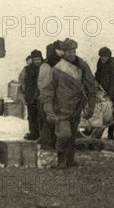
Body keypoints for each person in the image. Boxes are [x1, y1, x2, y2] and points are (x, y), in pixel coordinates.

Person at [39, 38, 96, 169]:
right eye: (69, 52)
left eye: (73, 51)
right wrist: (49, 110)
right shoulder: (57, 69)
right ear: (63, 52)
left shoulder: (82, 66)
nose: (72, 54)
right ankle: (60, 160)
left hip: (76, 107)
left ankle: (70, 160)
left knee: (72, 136)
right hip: (61, 108)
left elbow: (90, 86)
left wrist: (91, 106)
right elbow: (48, 91)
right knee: (64, 134)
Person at [37, 41, 62, 149]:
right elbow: (43, 84)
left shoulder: (59, 63)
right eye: (59, 49)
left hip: (56, 97)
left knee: (53, 120)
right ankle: (46, 143)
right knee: (48, 120)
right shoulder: (47, 66)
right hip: (48, 96)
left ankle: (52, 142)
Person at [95, 47, 114, 139]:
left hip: (113, 94)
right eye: (101, 56)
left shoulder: (113, 65)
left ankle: (111, 135)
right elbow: (97, 75)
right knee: (103, 113)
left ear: (109, 56)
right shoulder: (100, 63)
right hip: (103, 92)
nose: (103, 58)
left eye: (105, 56)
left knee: (113, 114)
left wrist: (111, 95)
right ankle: (98, 134)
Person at [23, 50, 43, 140]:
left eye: (38, 59)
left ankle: (43, 135)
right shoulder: (27, 69)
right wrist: (25, 92)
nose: (37, 61)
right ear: (32, 60)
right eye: (35, 60)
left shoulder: (44, 67)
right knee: (32, 116)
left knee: (42, 116)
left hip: (41, 97)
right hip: (31, 97)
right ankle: (33, 134)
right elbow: (22, 80)